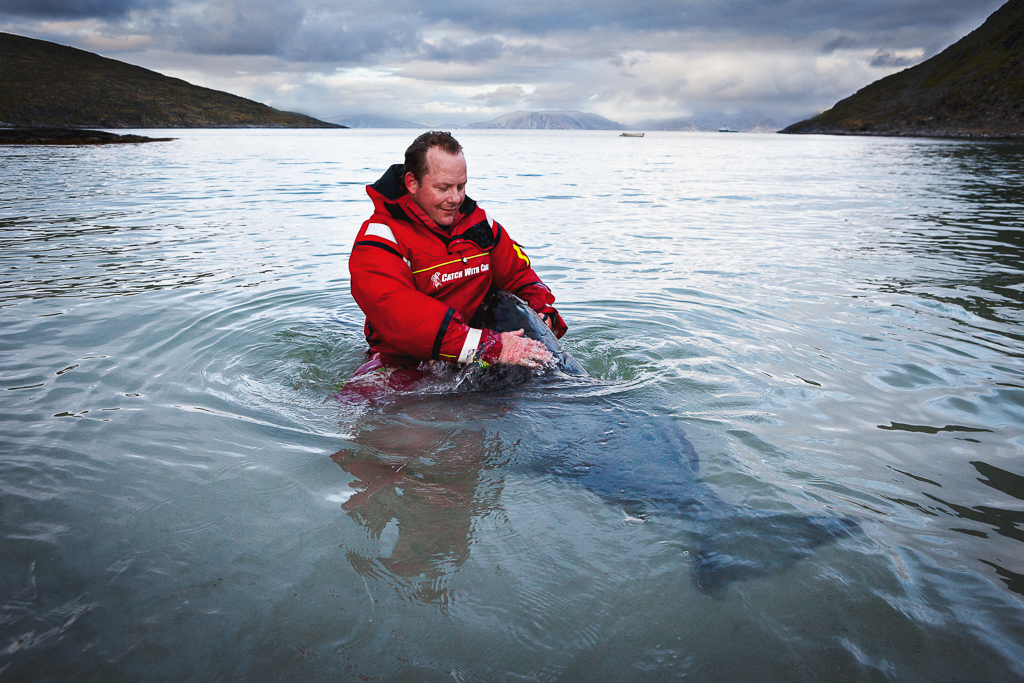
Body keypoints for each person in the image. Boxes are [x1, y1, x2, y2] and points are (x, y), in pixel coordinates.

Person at [347, 131, 566, 392]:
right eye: (443, 188)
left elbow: (519, 275)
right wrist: (490, 346)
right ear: (412, 183)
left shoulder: (480, 226)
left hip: (479, 354)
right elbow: (403, 318)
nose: (455, 198)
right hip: (405, 363)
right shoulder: (380, 239)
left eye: (461, 187)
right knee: (361, 405)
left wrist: (542, 312)